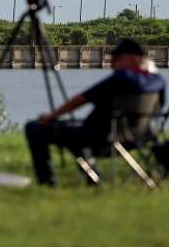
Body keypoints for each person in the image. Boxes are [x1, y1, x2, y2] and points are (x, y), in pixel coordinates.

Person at [25, 38, 166, 186]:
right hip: (140, 138)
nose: (112, 63)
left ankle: (48, 183)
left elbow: (82, 99)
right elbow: (159, 109)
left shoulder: (121, 78)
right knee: (74, 129)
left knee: (34, 128)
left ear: (133, 58)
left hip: (101, 140)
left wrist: (52, 115)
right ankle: (93, 177)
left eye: (116, 58)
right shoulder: (158, 81)